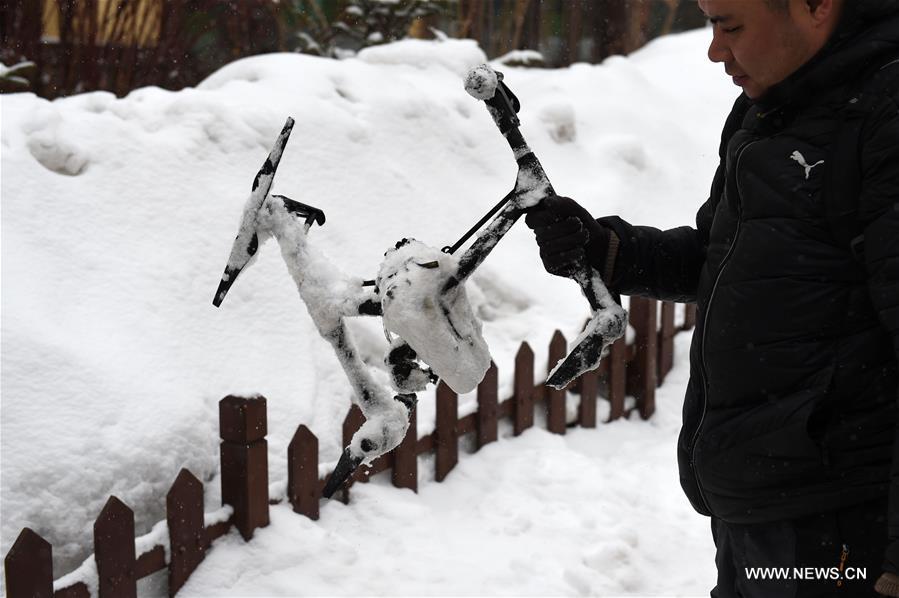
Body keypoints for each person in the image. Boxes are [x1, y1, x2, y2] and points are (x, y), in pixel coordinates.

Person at [525, 1, 899, 596]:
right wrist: (609, 250)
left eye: (731, 25)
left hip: (845, 521)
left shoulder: (882, 115)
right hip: (761, 506)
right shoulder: (771, 110)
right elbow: (730, 260)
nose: (715, 51)